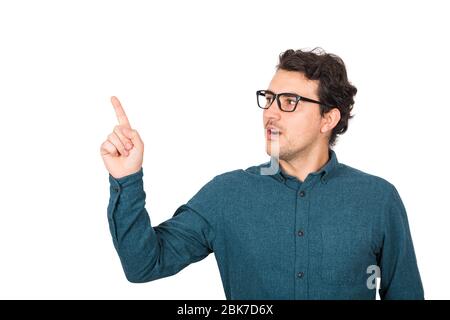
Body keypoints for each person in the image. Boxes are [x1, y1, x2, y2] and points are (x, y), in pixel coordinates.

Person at [100, 48, 424, 300]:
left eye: (288, 102)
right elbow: (144, 264)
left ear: (328, 118)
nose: (270, 112)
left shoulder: (377, 200)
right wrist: (127, 179)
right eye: (268, 99)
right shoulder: (227, 195)